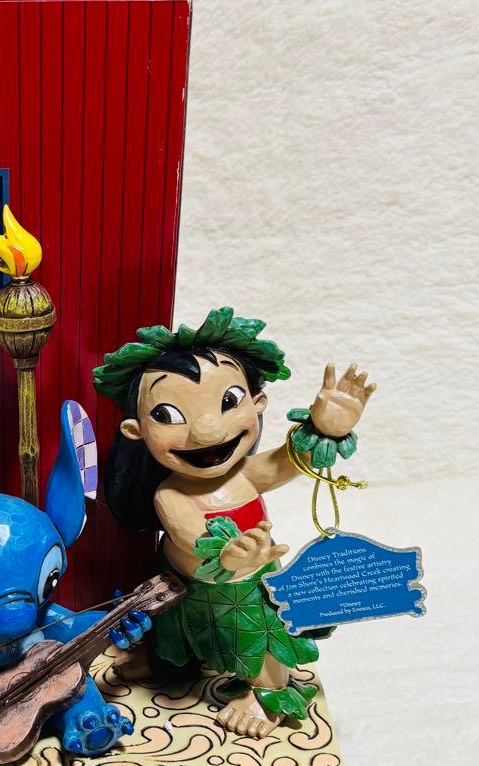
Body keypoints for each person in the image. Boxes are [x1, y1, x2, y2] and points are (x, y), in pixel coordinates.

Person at [94, 307, 375, 737]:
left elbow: (290, 460)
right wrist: (226, 552)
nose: (207, 431)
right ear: (136, 431)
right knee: (172, 634)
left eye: (228, 402)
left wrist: (324, 428)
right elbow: (190, 535)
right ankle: (168, 662)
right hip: (185, 588)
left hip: (247, 591)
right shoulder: (169, 494)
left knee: (257, 638)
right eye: (168, 415)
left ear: (258, 403)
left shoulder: (247, 473)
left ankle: (265, 693)